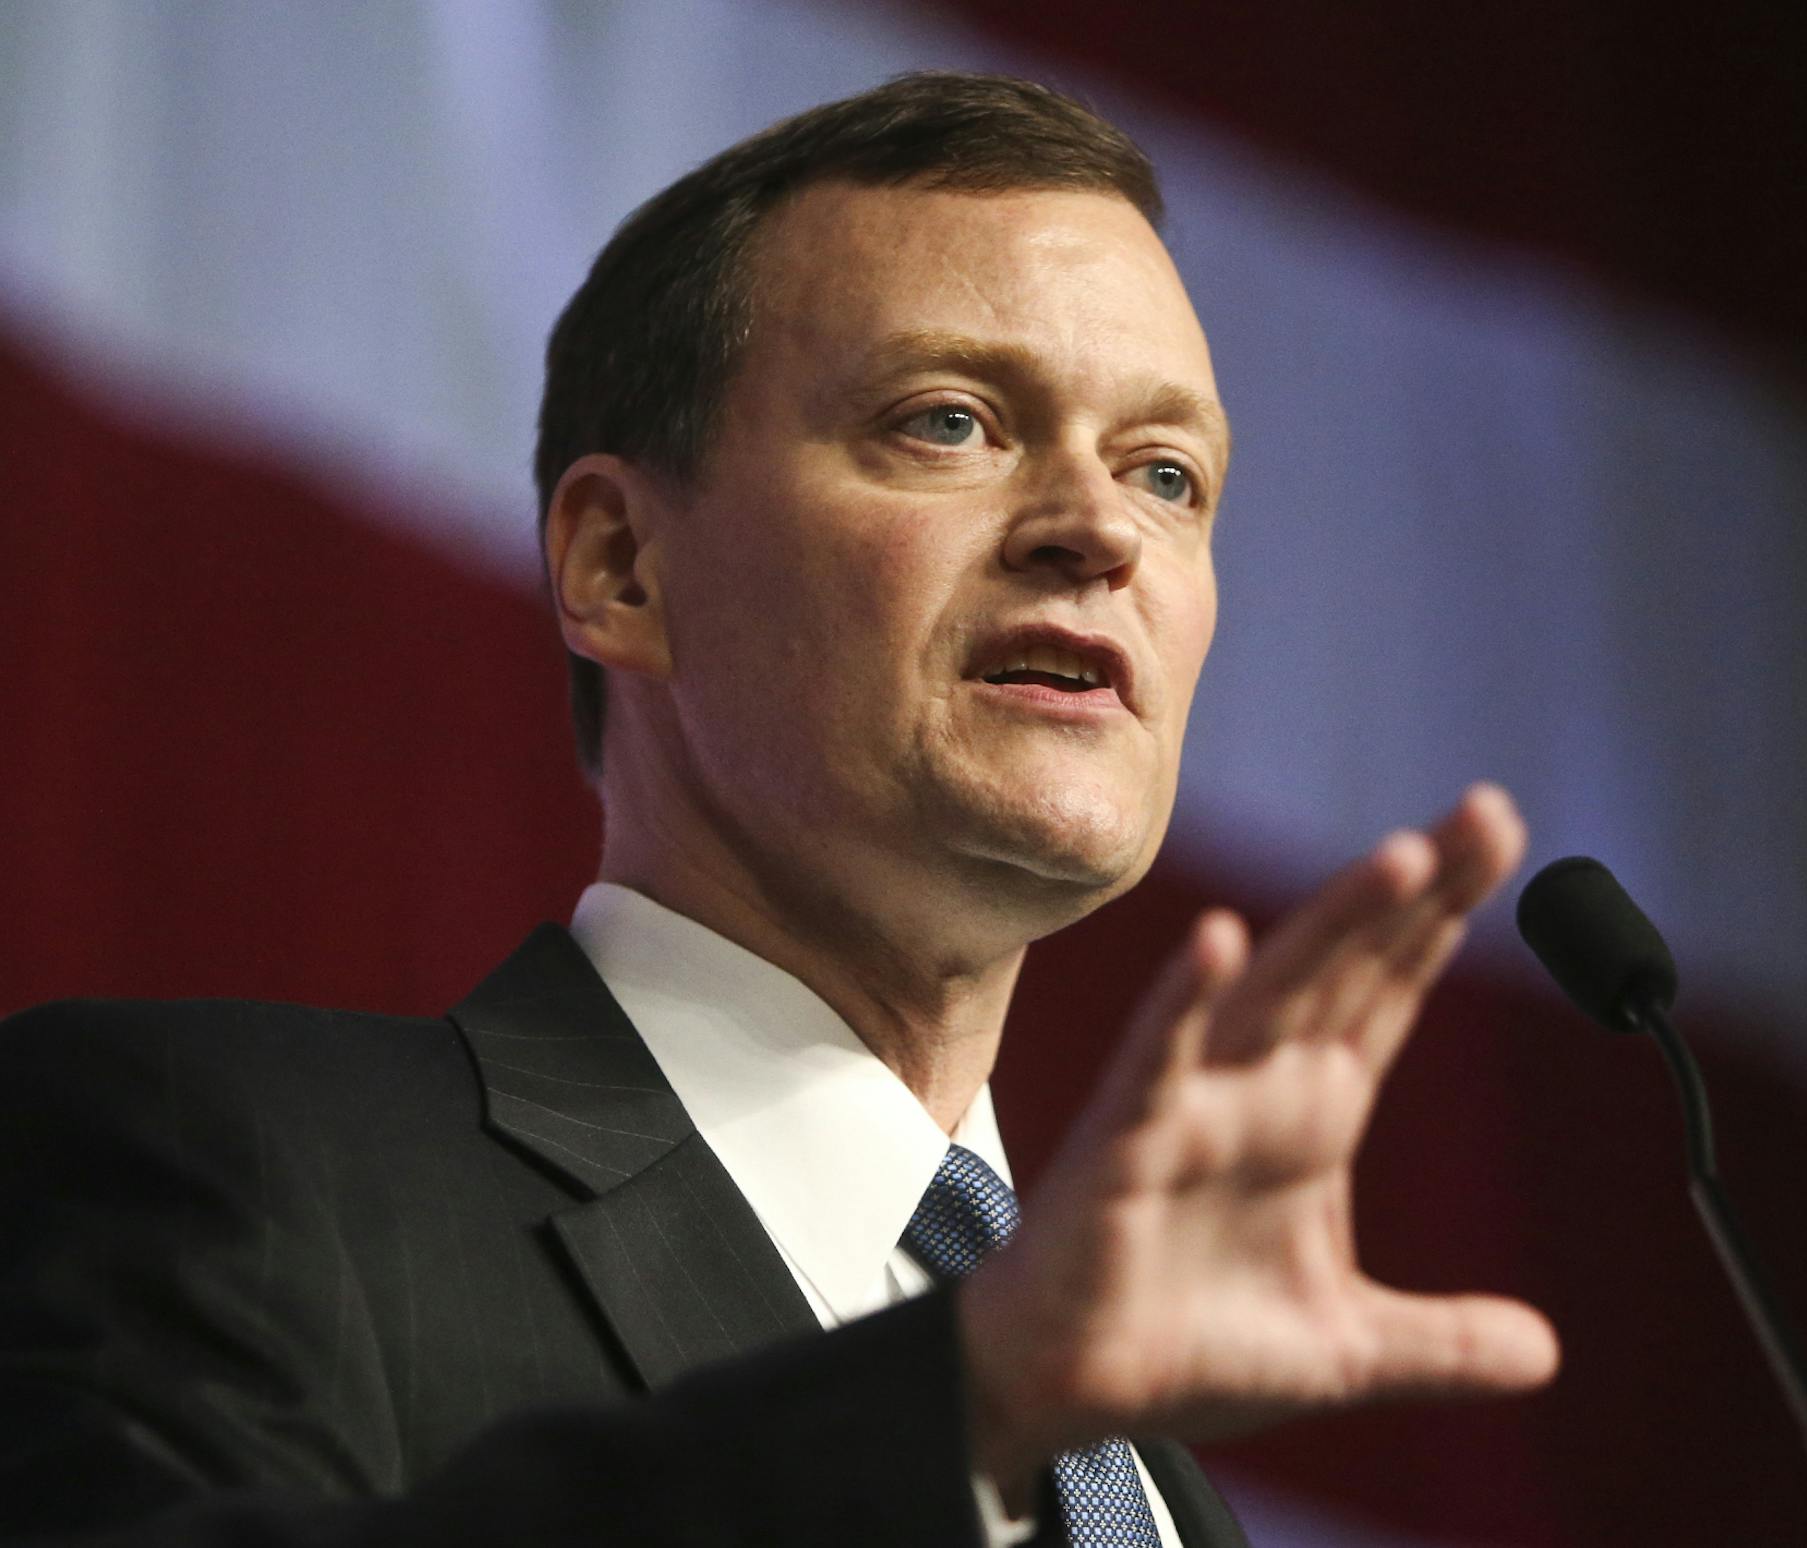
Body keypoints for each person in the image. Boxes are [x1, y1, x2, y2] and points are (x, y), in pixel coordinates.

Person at [0, 73, 1557, 1546]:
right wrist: (964, 1405)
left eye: (1167, 473)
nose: (1099, 531)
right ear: (620, 563)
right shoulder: (227, 1165)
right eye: (949, 420)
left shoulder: (1137, 1467)